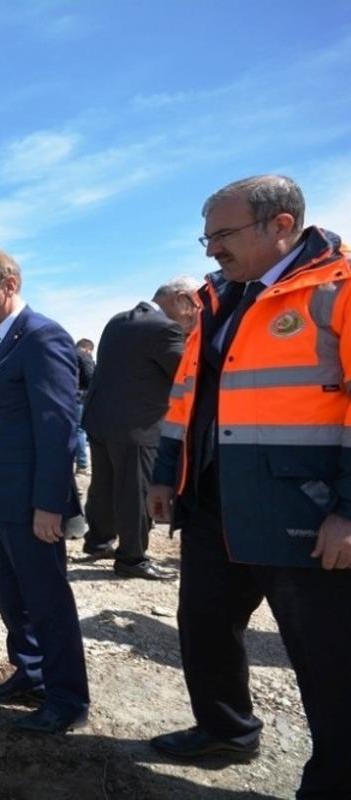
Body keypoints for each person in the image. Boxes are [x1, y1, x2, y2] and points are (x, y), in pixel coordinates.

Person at [147, 175, 351, 797]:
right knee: (204, 627)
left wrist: (348, 509)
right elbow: (187, 394)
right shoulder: (217, 300)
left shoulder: (336, 291)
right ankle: (226, 731)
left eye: (223, 235)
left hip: (306, 510)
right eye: (207, 237)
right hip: (214, 501)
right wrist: (165, 472)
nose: (211, 249)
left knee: (327, 660)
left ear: (280, 225)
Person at [0, 245, 89, 735]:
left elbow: (57, 427)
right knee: (14, 598)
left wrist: (48, 504)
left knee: (47, 601)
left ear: (7, 284)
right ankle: (31, 673)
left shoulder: (41, 336)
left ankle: (67, 698)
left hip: (29, 503)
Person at [80, 277, 200, 579]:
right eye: (196, 305)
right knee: (136, 491)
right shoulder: (165, 329)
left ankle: (98, 541)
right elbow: (187, 376)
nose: (197, 313)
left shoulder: (118, 321)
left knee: (104, 486)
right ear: (181, 299)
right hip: (138, 426)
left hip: (101, 421)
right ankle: (132, 558)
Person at [73, 340, 95, 474]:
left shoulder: (66, 352)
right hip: (79, 397)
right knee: (80, 430)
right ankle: (82, 464)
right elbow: (90, 377)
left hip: (64, 397)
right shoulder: (83, 355)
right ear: (88, 349)